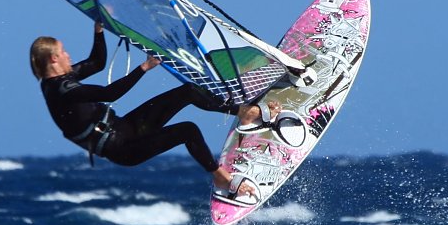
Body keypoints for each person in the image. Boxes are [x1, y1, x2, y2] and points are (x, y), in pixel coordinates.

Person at [30, 21, 271, 195]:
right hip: (122, 148)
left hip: (124, 127)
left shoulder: (65, 78)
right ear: (53, 59)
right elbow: (109, 93)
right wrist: (144, 68)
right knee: (187, 130)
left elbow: (97, 63)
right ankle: (221, 178)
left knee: (187, 91)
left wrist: (99, 29)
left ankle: (243, 112)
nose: (68, 55)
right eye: (62, 52)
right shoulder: (60, 90)